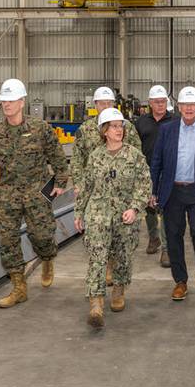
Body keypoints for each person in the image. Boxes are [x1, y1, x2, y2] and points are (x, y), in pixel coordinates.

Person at [0, 78, 69, 308]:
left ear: (22, 101)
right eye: (3, 102)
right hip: (8, 195)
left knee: (42, 236)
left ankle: (47, 258)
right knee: (7, 240)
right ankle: (19, 287)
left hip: (37, 193)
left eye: (10, 101)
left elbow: (57, 155)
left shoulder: (40, 129)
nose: (6, 105)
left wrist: (60, 180)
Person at [74, 108, 151, 328]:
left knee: (123, 255)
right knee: (97, 257)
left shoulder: (134, 156)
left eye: (121, 126)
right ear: (104, 131)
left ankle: (119, 288)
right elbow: (86, 187)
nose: (120, 130)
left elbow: (144, 185)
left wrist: (135, 208)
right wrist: (79, 212)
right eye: (115, 126)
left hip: (125, 216)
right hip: (98, 214)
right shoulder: (95, 157)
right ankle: (96, 303)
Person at [150, 86, 195, 301]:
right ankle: (180, 281)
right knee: (173, 237)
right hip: (172, 192)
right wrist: (154, 190)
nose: (189, 108)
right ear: (179, 107)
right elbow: (157, 162)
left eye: (193, 105)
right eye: (185, 105)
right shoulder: (167, 130)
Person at [71, 86, 141, 284]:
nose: (106, 106)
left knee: (120, 236)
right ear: (95, 105)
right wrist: (78, 184)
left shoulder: (126, 127)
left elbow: (137, 155)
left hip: (121, 190)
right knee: (98, 236)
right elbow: (77, 159)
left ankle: (114, 270)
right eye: (102, 103)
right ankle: (104, 271)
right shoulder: (85, 130)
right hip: (95, 190)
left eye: (109, 103)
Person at [135, 85, 174, 264]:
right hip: (146, 171)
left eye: (163, 101)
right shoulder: (141, 122)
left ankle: (166, 249)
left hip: (168, 172)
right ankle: (153, 237)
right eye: (157, 102)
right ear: (150, 103)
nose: (160, 105)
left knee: (165, 208)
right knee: (148, 207)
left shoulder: (175, 120)